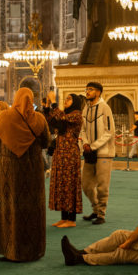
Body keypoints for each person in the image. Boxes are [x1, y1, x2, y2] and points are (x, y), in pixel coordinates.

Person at [0, 87, 50, 262]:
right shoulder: (39, 119)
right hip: (33, 169)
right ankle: (34, 251)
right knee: (33, 208)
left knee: (10, 206)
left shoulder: (5, 117)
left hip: (10, 168)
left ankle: (11, 251)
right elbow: (46, 142)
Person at [48, 91, 84, 228]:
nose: (66, 101)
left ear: (75, 102)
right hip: (60, 153)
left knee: (70, 185)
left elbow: (61, 117)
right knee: (62, 184)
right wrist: (47, 107)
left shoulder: (76, 115)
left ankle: (71, 219)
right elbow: (53, 121)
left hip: (70, 154)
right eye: (66, 98)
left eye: (69, 99)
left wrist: (53, 103)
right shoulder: (65, 115)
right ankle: (64, 218)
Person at [81, 81, 115, 225]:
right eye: (87, 89)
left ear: (99, 92)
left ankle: (101, 214)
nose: (88, 92)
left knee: (102, 186)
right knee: (86, 185)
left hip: (103, 153)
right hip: (89, 152)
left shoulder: (105, 108)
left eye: (91, 89)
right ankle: (95, 209)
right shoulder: (86, 108)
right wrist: (85, 143)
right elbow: (83, 129)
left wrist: (94, 146)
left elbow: (109, 132)